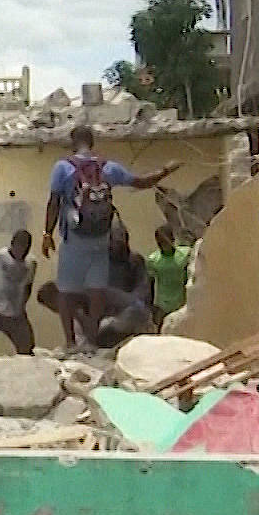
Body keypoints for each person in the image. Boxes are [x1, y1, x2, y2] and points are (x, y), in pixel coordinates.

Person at [41, 126, 179, 349]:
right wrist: (165, 170)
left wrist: (47, 233)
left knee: (66, 290)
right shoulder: (109, 168)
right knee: (97, 290)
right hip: (100, 239)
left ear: (72, 142)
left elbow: (54, 202)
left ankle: (70, 343)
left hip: (74, 238)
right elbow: (141, 182)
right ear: (93, 142)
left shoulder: (62, 168)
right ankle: (93, 342)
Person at [93, 221, 156, 347]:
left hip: (129, 312)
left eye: (119, 242)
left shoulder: (134, 260)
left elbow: (143, 289)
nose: (114, 246)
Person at [146, 225, 194, 326]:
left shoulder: (185, 254)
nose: (162, 244)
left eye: (165, 240)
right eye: (160, 241)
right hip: (162, 306)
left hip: (182, 304)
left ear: (172, 239)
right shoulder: (153, 260)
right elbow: (150, 284)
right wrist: (150, 307)